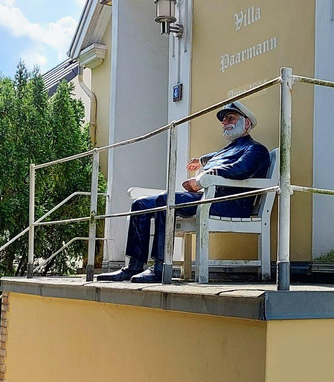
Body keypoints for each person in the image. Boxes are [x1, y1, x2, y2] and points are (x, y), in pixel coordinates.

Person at [97, 101, 271, 283]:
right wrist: (201, 161)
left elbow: (240, 169)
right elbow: (214, 157)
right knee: (140, 204)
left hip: (228, 204)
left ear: (247, 123)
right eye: (223, 119)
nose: (225, 122)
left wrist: (202, 178)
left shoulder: (256, 149)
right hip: (207, 199)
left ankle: (160, 268)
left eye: (231, 118)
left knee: (167, 200)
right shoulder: (226, 150)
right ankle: (132, 267)